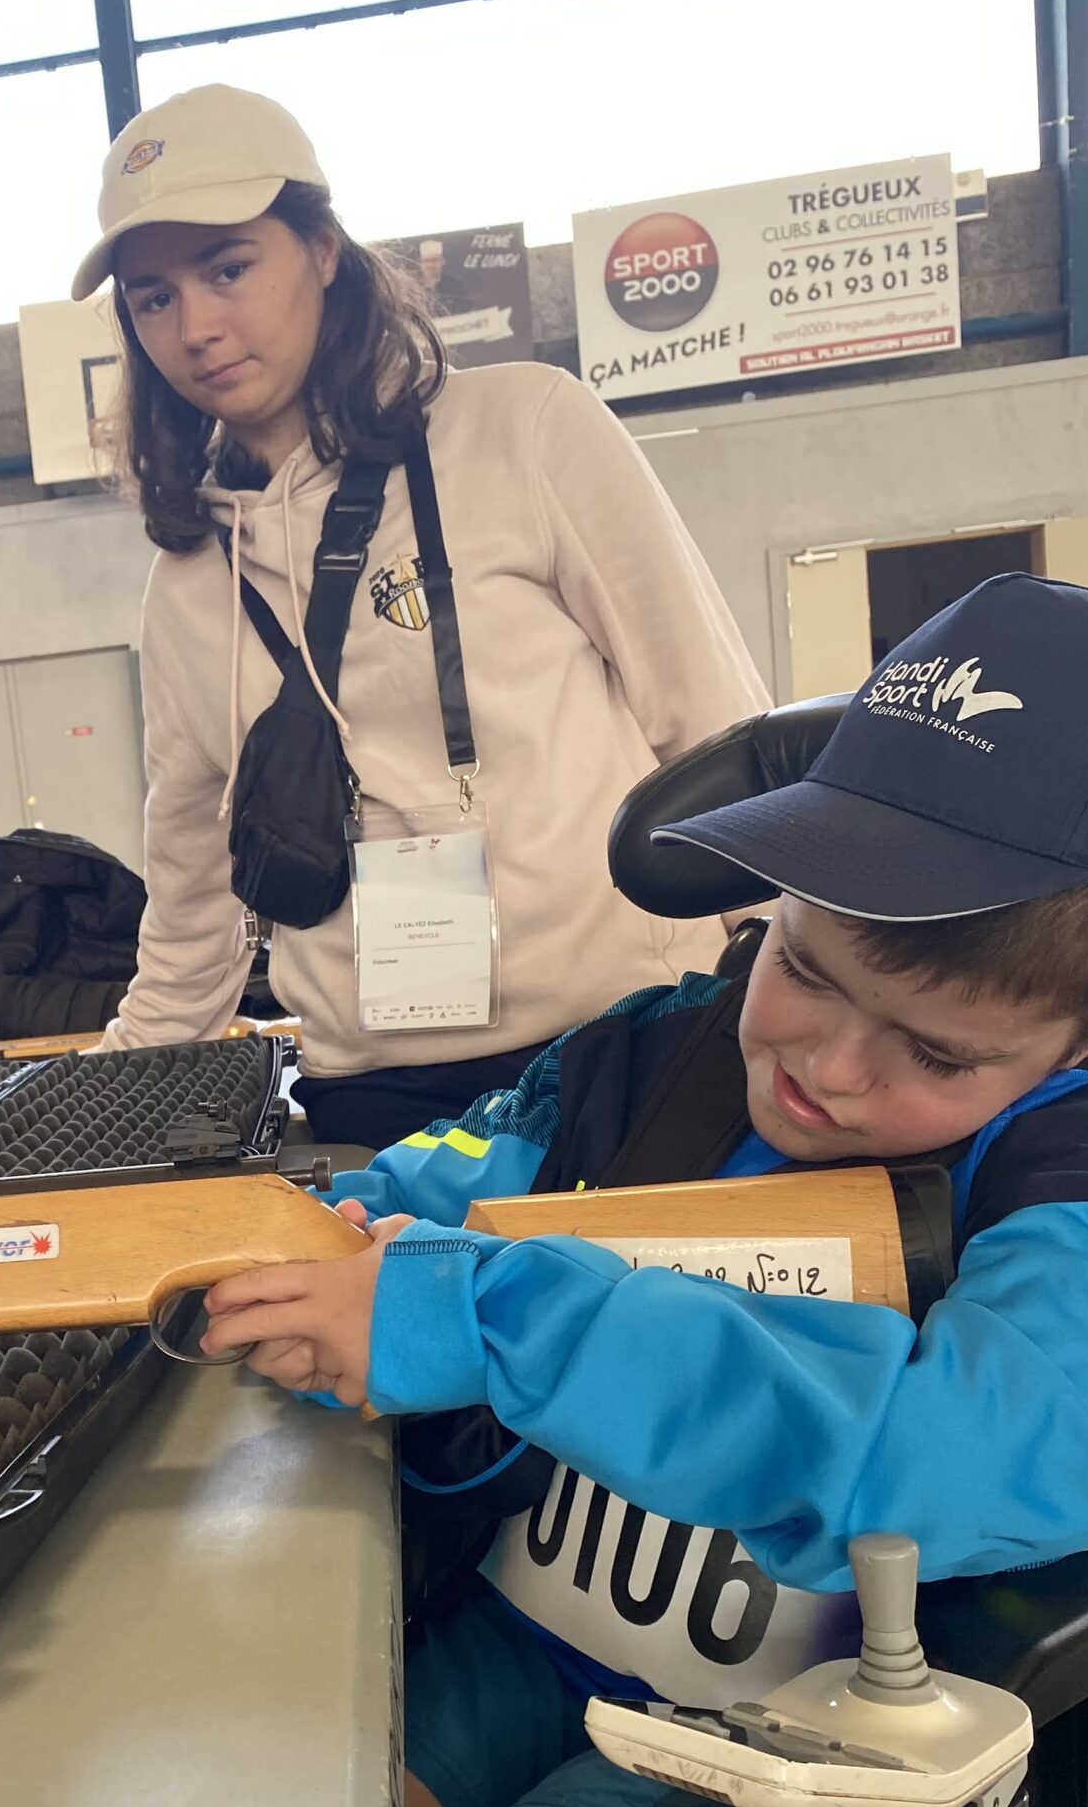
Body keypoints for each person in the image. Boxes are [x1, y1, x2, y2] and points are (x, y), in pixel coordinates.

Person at [198, 572, 1088, 1807]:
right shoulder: (645, 1063)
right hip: (520, 1651)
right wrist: (342, 1256)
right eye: (808, 973)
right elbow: (455, 1186)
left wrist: (510, 1319)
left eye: (935, 1055)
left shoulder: (1061, 1203)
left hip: (773, 1754)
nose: (829, 1071)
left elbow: (941, 1455)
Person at [72, 81, 770, 1148]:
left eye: (227, 268)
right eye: (153, 296)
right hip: (374, 1095)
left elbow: (713, 722)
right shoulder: (187, 587)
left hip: (622, 1041)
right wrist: (96, 1100)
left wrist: (776, 965)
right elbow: (195, 889)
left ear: (319, 248)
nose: (197, 327)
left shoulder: (528, 431)